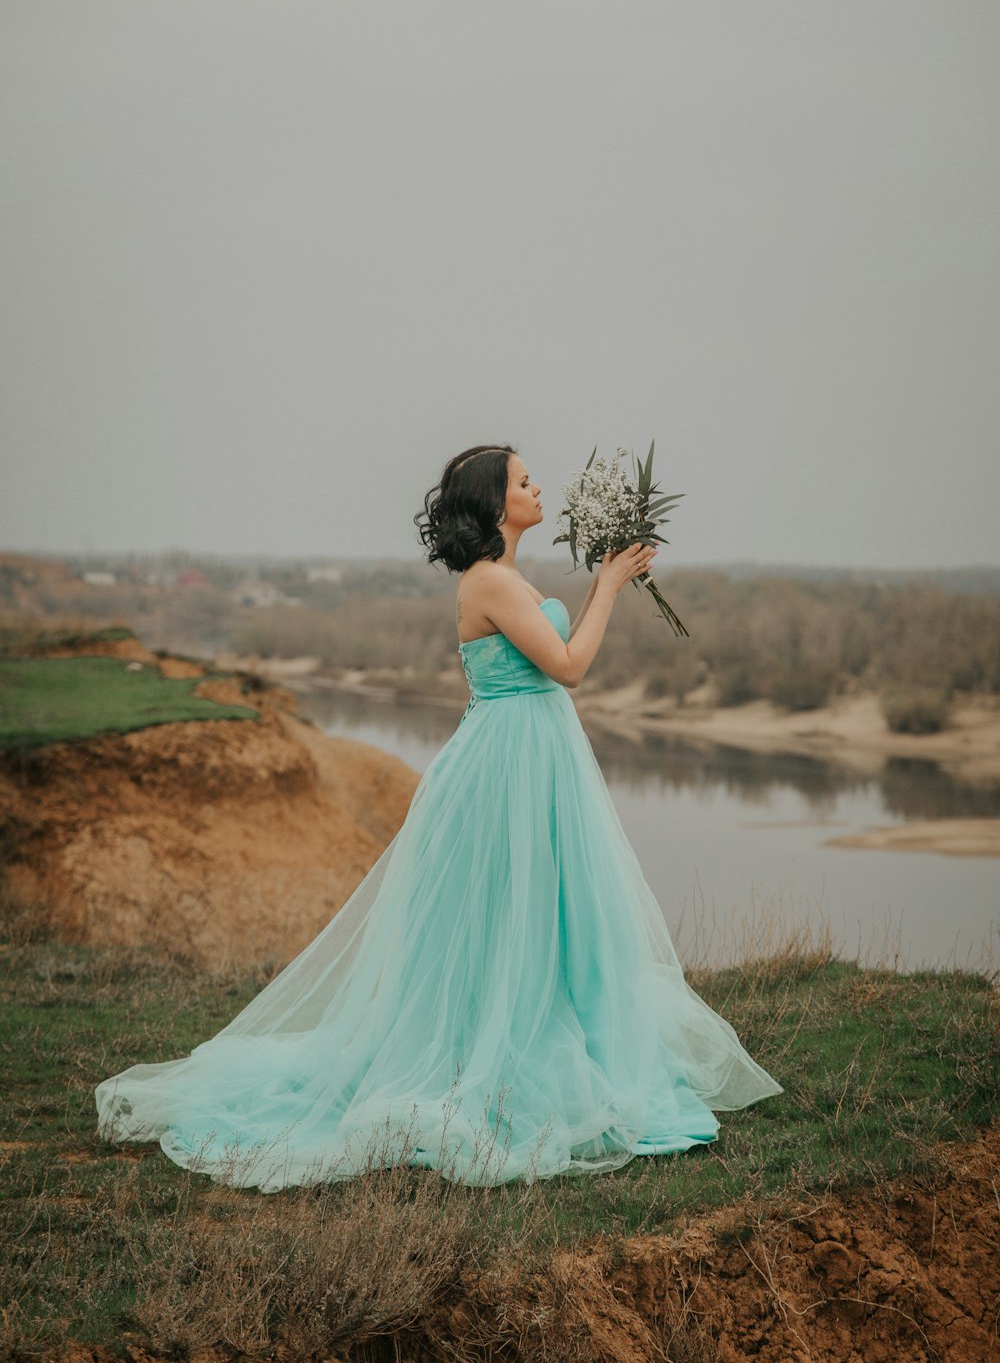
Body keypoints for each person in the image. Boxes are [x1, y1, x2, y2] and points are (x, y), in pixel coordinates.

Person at [95, 442, 782, 1190]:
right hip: (510, 767)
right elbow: (571, 667)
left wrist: (603, 579)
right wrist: (611, 584)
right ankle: (487, 1057)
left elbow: (551, 652)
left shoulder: (503, 578)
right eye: (524, 481)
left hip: (531, 758)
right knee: (503, 913)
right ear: (495, 505)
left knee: (540, 913)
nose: (537, 486)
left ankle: (533, 1033)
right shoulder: (490, 581)